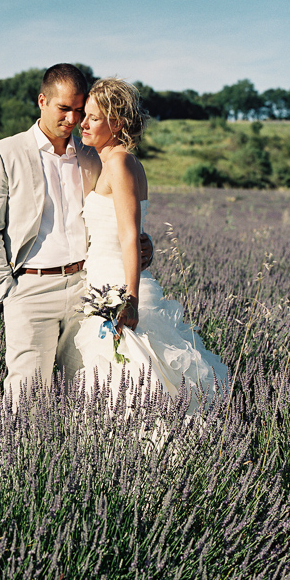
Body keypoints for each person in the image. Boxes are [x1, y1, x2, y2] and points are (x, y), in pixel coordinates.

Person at [0, 64, 151, 408]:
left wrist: (144, 242)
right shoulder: (2, 153)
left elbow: (117, 214)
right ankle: (20, 461)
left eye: (79, 111)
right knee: (25, 394)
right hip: (29, 289)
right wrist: (8, 291)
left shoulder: (90, 154)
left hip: (87, 289)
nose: (72, 119)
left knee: (86, 391)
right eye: (63, 108)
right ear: (42, 101)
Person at [75, 77, 228, 411]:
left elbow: (130, 234)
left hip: (118, 290)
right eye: (84, 115)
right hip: (103, 283)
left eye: (94, 117)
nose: (82, 123)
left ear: (116, 123)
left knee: (133, 384)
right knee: (121, 385)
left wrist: (129, 300)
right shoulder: (113, 162)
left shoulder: (120, 163)